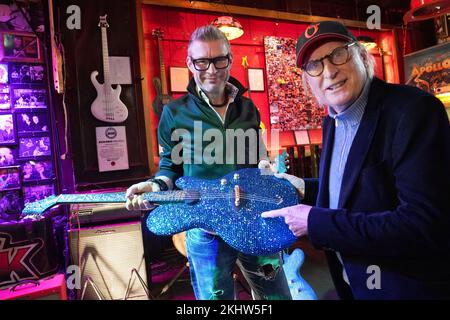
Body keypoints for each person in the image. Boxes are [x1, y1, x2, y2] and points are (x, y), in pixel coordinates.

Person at [262, 21, 450, 299]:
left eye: (338, 54)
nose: (329, 71)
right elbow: (358, 190)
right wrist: (305, 187)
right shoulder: (332, 120)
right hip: (354, 285)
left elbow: (422, 224)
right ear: (307, 81)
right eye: (314, 65)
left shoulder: (413, 112)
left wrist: (315, 222)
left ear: (362, 57)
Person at [126, 25, 292, 300]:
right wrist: (154, 185)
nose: (211, 69)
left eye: (219, 60)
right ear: (190, 64)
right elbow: (170, 166)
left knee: (277, 297)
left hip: (254, 220)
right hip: (206, 231)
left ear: (230, 58)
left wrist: (266, 168)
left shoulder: (248, 108)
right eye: (202, 61)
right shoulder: (174, 113)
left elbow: (257, 158)